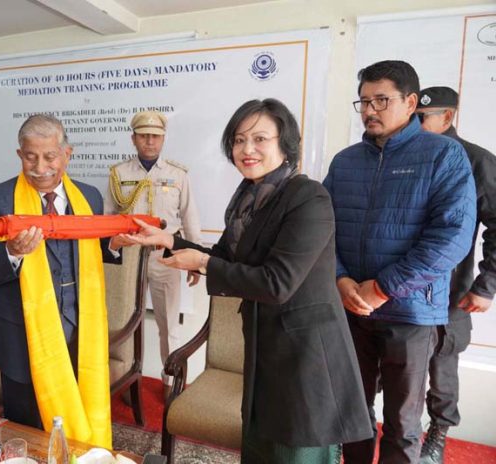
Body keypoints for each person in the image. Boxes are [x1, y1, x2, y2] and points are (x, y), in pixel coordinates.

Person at [123, 99, 373, 463]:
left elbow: (277, 283)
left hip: (304, 357)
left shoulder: (308, 197)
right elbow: (227, 256)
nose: (247, 149)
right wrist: (168, 240)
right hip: (263, 346)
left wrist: (204, 262)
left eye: (260, 139)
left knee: (293, 452)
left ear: (285, 145)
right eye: (239, 140)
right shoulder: (249, 197)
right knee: (258, 446)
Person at [323, 61, 476, 464]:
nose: (370, 110)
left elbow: (451, 238)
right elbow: (321, 229)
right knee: (351, 412)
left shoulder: (444, 155)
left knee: (403, 423)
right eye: (364, 101)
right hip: (351, 308)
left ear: (410, 103)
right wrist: (340, 279)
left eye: (381, 100)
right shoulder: (345, 162)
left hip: (411, 312)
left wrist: (383, 287)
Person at [0, 114, 120, 448]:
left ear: (67, 154)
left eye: (50, 156)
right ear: (19, 154)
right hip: (22, 337)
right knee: (27, 432)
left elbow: (93, 252)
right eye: (30, 156)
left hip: (79, 332)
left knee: (77, 423)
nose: (40, 167)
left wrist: (112, 243)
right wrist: (12, 252)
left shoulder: (90, 197)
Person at [415, 86, 496, 464]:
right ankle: (397, 428)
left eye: (422, 117)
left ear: (447, 118)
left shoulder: (477, 161)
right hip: (400, 287)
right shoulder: (406, 155)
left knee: (442, 363)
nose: (414, 124)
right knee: (390, 362)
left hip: (449, 291)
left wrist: (486, 285)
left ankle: (438, 434)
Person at [105, 110, 201, 396]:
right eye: (144, 136)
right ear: (133, 138)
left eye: (156, 136)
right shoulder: (119, 173)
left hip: (164, 257)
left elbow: (190, 219)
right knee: (123, 321)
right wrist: (112, 254)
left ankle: (170, 382)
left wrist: (196, 261)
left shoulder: (177, 174)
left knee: (168, 324)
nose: (150, 141)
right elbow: (109, 217)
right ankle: (122, 376)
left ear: (163, 139)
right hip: (129, 258)